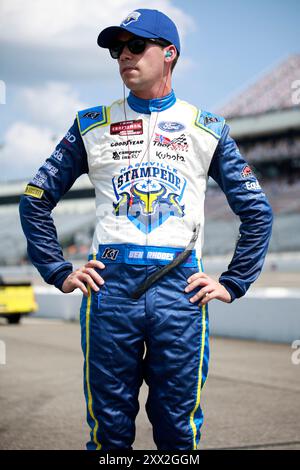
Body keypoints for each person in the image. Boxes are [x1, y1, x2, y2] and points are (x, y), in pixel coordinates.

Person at [19, 8, 273, 451]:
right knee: (109, 431)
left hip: (181, 289)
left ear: (169, 53)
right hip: (110, 288)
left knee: (177, 431)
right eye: (117, 49)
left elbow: (257, 210)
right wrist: (58, 271)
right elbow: (35, 199)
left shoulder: (206, 128)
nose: (124, 57)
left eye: (136, 46)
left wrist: (234, 283)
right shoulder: (90, 125)